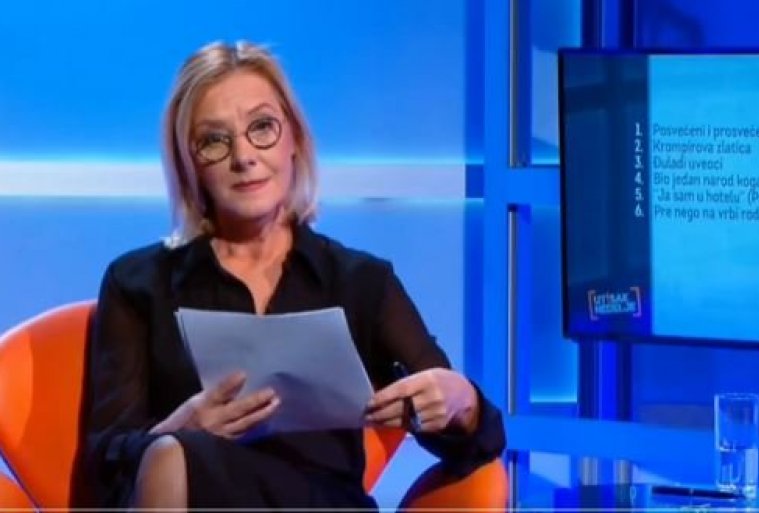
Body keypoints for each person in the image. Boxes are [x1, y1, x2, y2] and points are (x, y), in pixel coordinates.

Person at [82, 40, 506, 511]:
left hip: (323, 503)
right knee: (172, 454)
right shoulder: (138, 283)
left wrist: (460, 400)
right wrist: (182, 427)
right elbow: (105, 464)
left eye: (262, 127)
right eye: (214, 141)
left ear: (295, 141)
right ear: (189, 165)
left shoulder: (361, 282)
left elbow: (478, 444)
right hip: (198, 496)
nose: (244, 156)